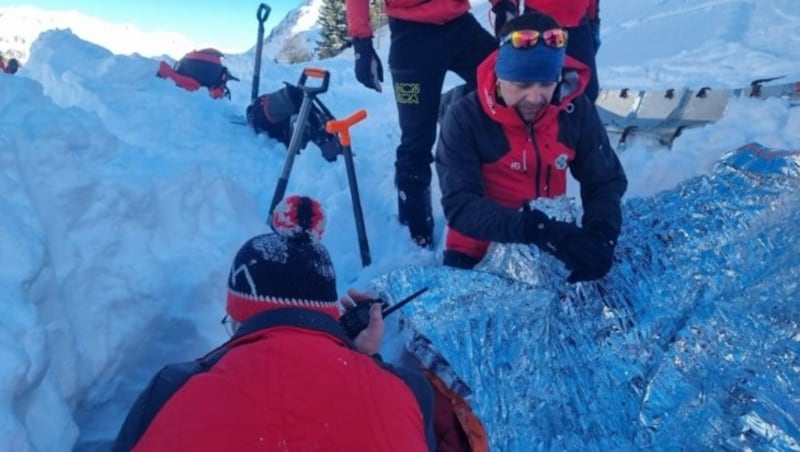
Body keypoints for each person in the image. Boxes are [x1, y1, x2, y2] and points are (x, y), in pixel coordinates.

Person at [112, 195, 436, 451]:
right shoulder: (407, 391)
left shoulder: (172, 389)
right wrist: (366, 364)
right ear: (328, 314)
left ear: (242, 318)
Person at [435, 12, 628, 282]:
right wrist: (537, 230)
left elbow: (604, 180)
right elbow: (461, 206)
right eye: (522, 84)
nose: (535, 97)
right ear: (500, 77)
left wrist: (601, 235)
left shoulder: (574, 110)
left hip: (551, 243)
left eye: (547, 83)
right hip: (478, 247)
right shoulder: (465, 118)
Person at [345, 0, 498, 248]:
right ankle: (415, 227)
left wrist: (503, 5)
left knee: (504, 86)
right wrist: (362, 43)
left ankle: (452, 105)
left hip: (461, 26)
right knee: (417, 136)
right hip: (411, 37)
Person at [493, 0, 601, 102]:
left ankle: (575, 118)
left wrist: (593, 20)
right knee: (535, 84)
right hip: (538, 26)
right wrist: (506, 7)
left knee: (587, 89)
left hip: (578, 26)